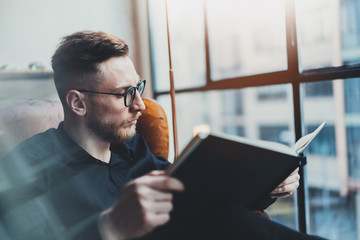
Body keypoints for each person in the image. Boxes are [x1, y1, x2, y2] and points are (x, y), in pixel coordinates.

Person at [0, 31, 326, 240]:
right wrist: (109, 228)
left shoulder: (133, 146)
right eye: (125, 93)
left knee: (228, 217)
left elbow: (198, 198)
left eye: (138, 87)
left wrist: (264, 187)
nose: (141, 105)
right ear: (77, 102)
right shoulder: (27, 167)